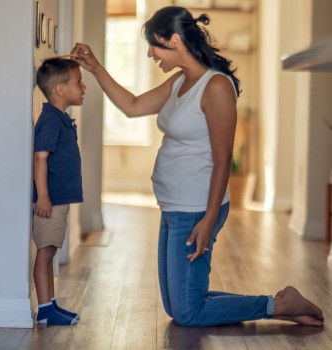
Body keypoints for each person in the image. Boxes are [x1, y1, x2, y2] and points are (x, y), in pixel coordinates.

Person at [73, 6, 323, 327]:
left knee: (188, 313)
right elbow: (133, 107)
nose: (150, 53)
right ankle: (280, 303)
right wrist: (95, 68)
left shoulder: (216, 87)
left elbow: (222, 161)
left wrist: (208, 218)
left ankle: (280, 306)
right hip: (174, 206)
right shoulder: (180, 81)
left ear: (175, 41)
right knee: (177, 306)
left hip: (194, 210)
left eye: (155, 44)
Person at [32, 58, 86, 325]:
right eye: (78, 82)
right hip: (50, 201)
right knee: (45, 251)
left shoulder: (59, 118)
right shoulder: (51, 120)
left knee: (50, 250)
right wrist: (42, 195)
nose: (83, 87)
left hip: (58, 200)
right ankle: (44, 310)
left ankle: (50, 305)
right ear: (60, 90)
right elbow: (40, 157)